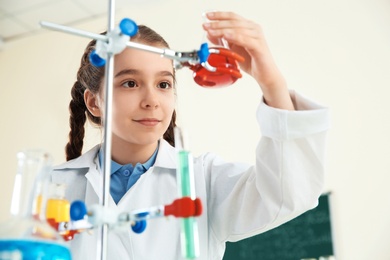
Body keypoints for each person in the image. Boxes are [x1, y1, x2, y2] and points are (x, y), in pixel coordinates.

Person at [51, 11, 330, 260]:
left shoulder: (204, 181)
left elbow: (288, 193)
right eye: (130, 83)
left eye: (163, 84)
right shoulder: (55, 186)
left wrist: (271, 80)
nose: (152, 100)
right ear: (93, 102)